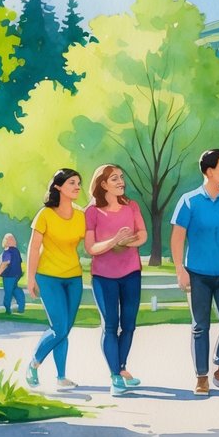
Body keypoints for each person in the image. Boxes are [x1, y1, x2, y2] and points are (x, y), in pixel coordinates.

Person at [171, 149, 219, 396]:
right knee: (200, 326)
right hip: (197, 273)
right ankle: (201, 377)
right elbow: (177, 239)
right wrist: (180, 271)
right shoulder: (189, 200)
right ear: (209, 171)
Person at [85, 164, 147, 397]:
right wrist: (114, 241)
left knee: (129, 325)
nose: (121, 181)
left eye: (122, 177)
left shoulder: (131, 206)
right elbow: (91, 247)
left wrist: (125, 243)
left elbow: (142, 234)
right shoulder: (92, 212)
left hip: (131, 272)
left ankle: (120, 369)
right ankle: (115, 377)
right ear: (103, 184)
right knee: (111, 325)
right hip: (103, 277)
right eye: (115, 179)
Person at [25, 168, 86, 390]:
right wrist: (30, 278)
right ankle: (34, 364)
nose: (77, 186)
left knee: (64, 329)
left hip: (74, 278)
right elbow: (33, 247)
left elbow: (90, 243)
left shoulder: (81, 216)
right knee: (59, 327)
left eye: (79, 183)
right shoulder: (45, 214)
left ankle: (61, 377)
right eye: (72, 183)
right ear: (58, 187)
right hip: (48, 277)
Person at [0, 233, 26, 315]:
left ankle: (7, 308)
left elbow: (5, 263)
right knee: (15, 289)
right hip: (17, 274)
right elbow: (19, 261)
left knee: (8, 291)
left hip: (9, 275)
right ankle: (21, 306)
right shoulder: (16, 251)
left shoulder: (7, 251)